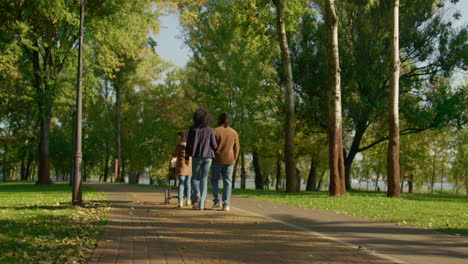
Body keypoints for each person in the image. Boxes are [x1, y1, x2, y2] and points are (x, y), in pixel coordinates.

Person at [185, 109, 217, 210]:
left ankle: (197, 194)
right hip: (208, 157)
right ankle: (202, 205)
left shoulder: (192, 129)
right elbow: (214, 145)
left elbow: (188, 144)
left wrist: (187, 155)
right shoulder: (210, 130)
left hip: (196, 156)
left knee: (194, 178)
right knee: (204, 179)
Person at [211, 113, 239, 211]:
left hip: (217, 159)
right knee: (227, 181)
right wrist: (234, 159)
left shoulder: (215, 131)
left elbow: (211, 146)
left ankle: (216, 200)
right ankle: (226, 204)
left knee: (214, 180)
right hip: (230, 160)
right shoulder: (234, 132)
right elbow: (237, 148)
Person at [172, 131, 192, 208]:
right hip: (189, 166)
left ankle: (180, 201)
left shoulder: (179, 146)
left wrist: (173, 166)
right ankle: (188, 199)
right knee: (188, 183)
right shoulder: (190, 145)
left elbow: (174, 155)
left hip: (181, 166)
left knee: (181, 183)